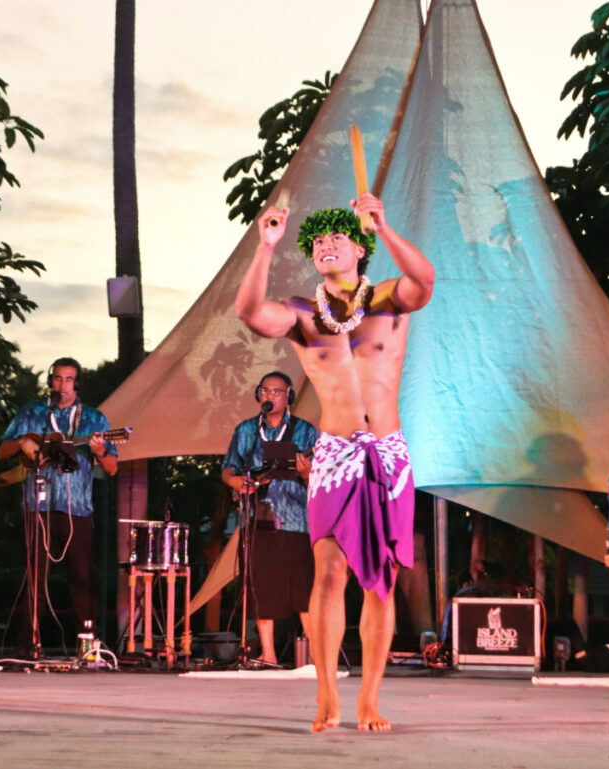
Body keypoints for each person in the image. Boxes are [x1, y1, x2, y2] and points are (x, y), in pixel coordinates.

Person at [235, 193, 434, 731]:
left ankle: (370, 699)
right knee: (328, 573)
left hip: (387, 454)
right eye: (318, 241)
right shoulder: (304, 315)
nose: (325, 244)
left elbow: (427, 280)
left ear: (359, 248)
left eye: (337, 238)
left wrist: (385, 227)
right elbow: (252, 312)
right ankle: (326, 694)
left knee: (382, 581)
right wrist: (266, 247)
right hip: (334, 456)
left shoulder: (390, 300)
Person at [0, 357, 118, 652]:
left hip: (77, 508)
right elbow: (2, 451)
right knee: (35, 576)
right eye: (58, 378)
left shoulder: (93, 419)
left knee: (81, 577)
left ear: (78, 384)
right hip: (38, 506)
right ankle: (28, 643)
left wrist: (101, 451)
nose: (62, 385)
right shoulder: (32, 412)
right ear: (51, 380)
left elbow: (112, 468)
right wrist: (23, 441)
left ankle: (87, 644)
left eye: (69, 379)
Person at [221, 371, 318, 664]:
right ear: (258, 395)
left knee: (302, 587)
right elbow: (228, 469)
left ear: (289, 395)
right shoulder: (247, 430)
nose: (271, 396)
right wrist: (238, 483)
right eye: (265, 390)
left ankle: (314, 655)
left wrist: (305, 472)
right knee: (261, 587)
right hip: (257, 520)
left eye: (277, 391)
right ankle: (269, 653)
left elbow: (323, 476)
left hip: (297, 520)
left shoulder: (306, 431)